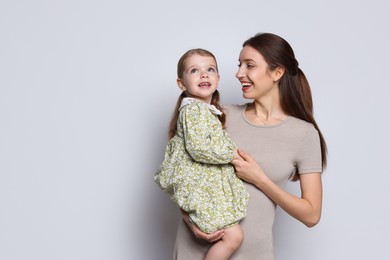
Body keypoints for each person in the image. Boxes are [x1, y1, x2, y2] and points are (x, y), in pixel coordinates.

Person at [173, 33, 327, 260]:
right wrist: (189, 220)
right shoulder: (219, 116)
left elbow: (312, 215)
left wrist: (260, 179)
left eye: (250, 65)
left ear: (277, 72)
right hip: (194, 250)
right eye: (239, 65)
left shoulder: (303, 134)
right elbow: (182, 171)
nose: (239, 73)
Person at [154, 48, 250, 260]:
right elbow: (199, 149)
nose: (204, 74)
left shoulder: (205, 111)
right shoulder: (193, 110)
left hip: (207, 190)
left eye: (210, 69)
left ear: (218, 78)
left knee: (233, 236)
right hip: (203, 192)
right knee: (234, 237)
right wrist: (230, 154)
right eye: (195, 70)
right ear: (182, 83)